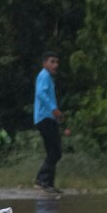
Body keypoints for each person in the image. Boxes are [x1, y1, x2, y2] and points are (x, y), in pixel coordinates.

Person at [33, 51, 64, 194]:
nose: (55, 65)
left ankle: (48, 183)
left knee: (54, 150)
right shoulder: (44, 75)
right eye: (52, 61)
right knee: (55, 151)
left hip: (48, 117)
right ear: (44, 63)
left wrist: (55, 114)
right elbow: (41, 94)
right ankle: (42, 180)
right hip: (44, 117)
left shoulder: (48, 77)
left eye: (56, 62)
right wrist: (54, 109)